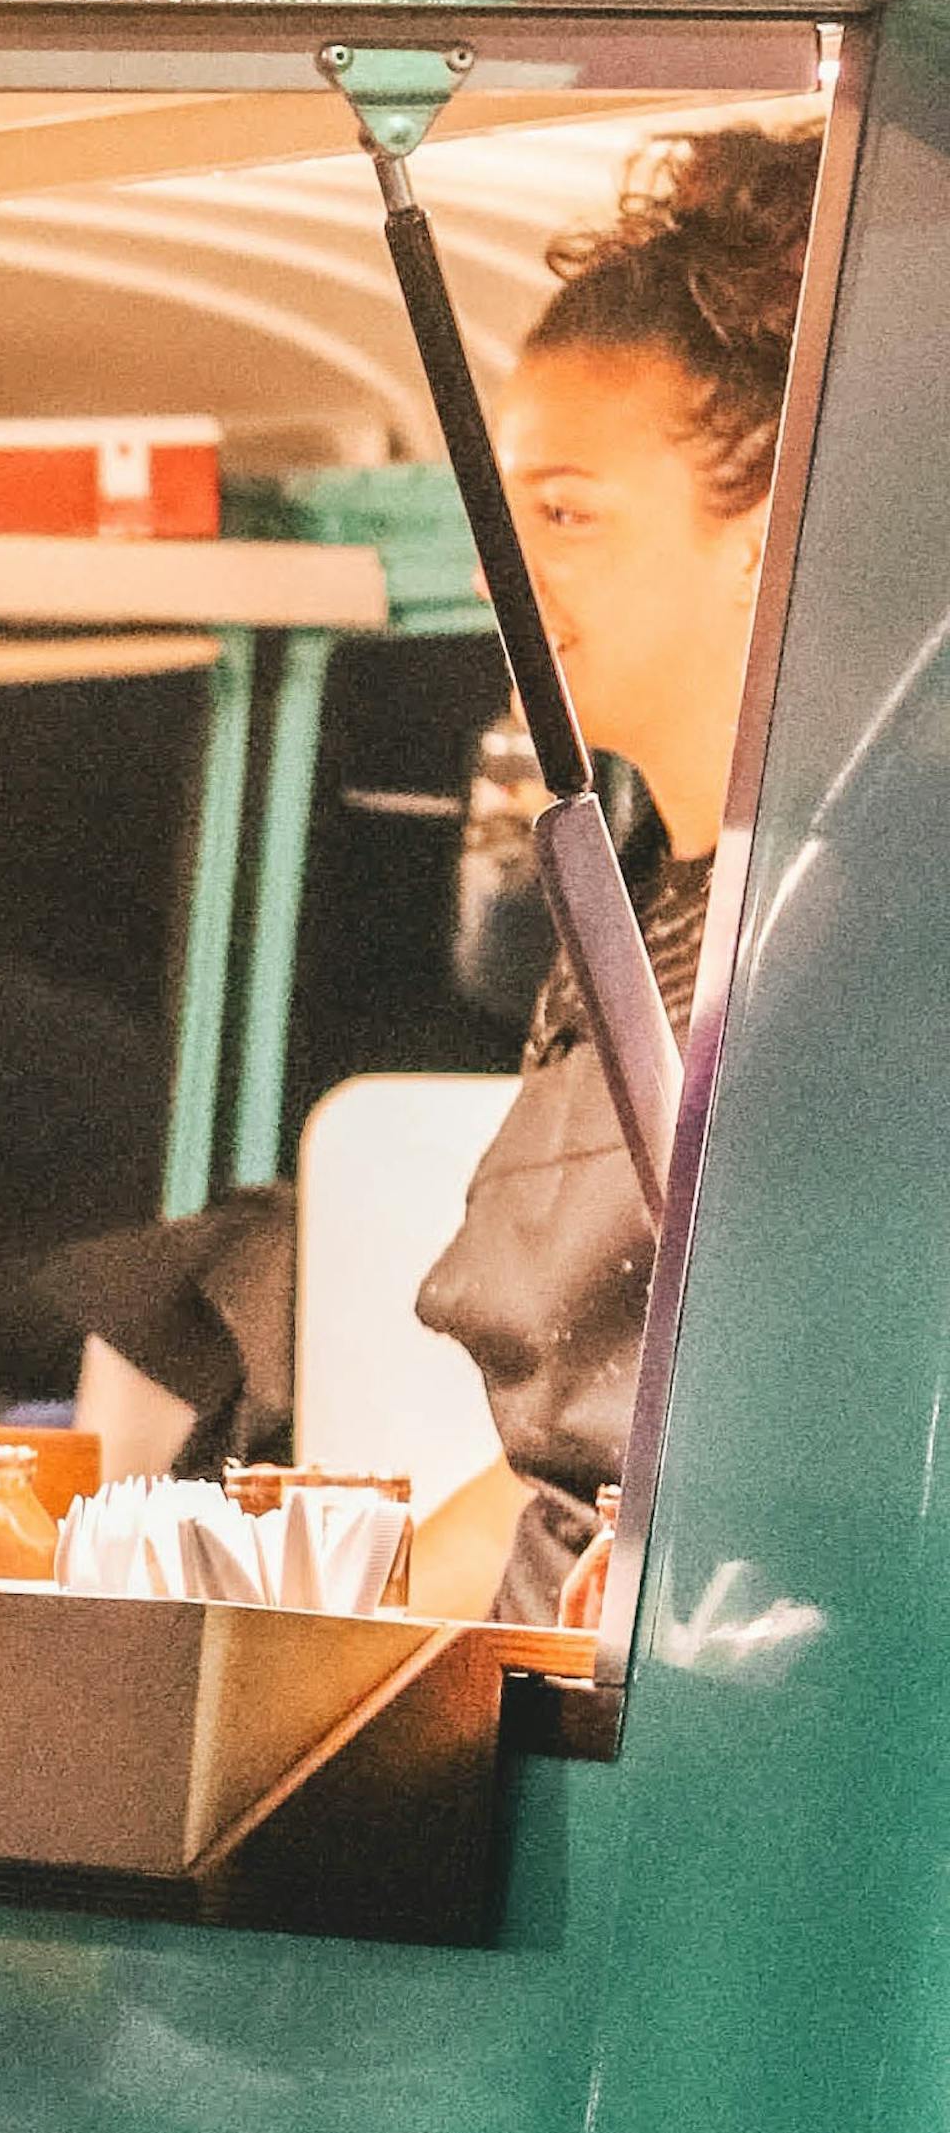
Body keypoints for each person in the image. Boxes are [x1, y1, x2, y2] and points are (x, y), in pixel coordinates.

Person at [417, 124, 820, 1624]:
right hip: (539, 1725)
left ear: (764, 539)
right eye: (500, 520)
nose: (499, 577)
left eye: (567, 515)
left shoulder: (862, 935)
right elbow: (548, 1493)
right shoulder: (617, 910)